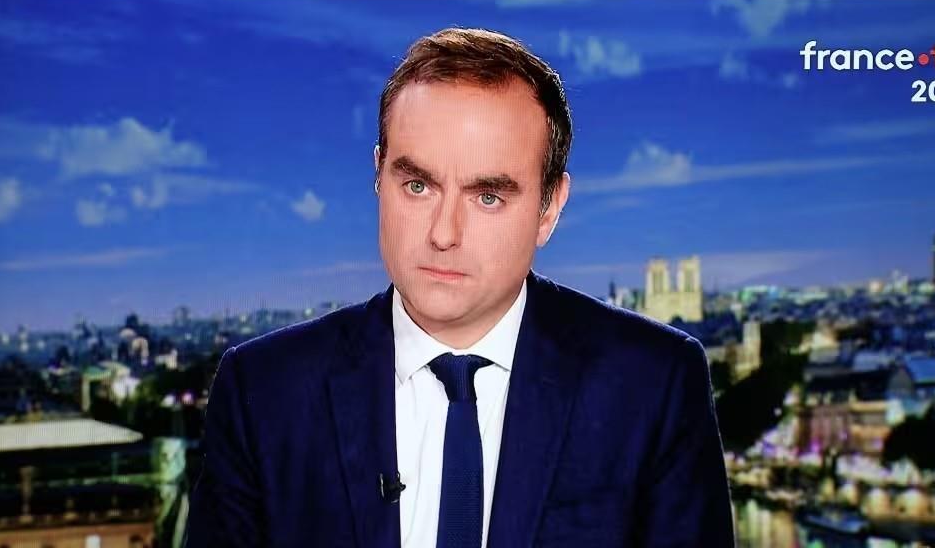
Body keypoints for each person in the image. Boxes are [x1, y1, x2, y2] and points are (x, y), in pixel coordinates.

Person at [184, 27, 736, 548]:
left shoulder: (654, 384)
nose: (443, 234)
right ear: (378, 175)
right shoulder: (263, 392)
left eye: (488, 197)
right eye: (417, 185)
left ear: (550, 208)